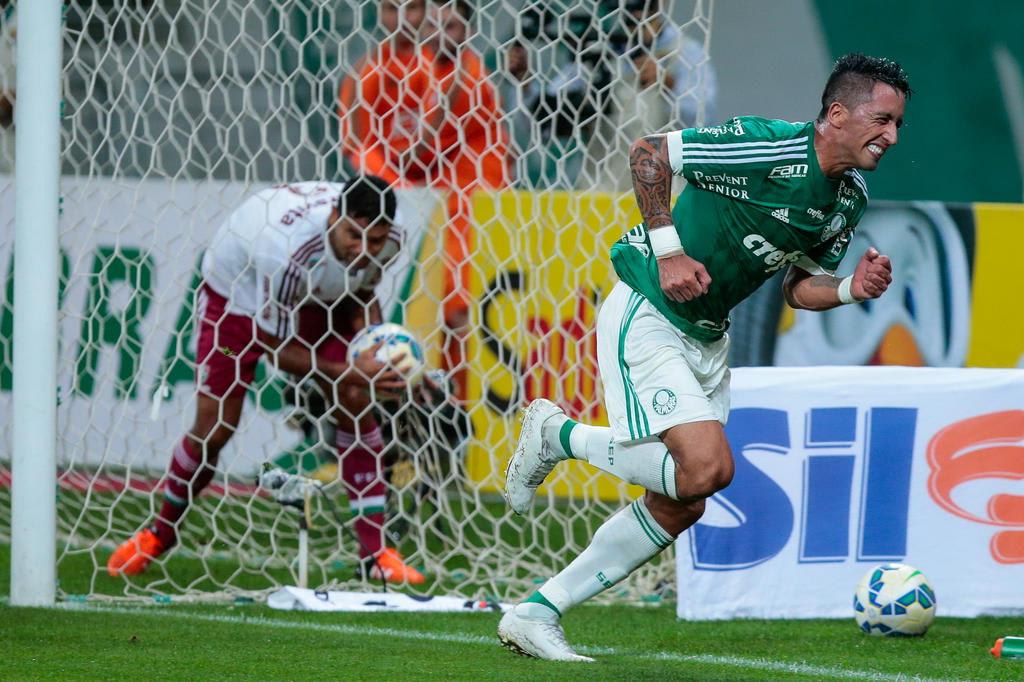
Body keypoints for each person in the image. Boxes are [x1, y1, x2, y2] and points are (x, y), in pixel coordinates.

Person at [498, 53, 909, 660]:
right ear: (837, 114)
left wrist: (851, 288)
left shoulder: (848, 199)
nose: (892, 136)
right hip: (649, 311)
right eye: (882, 119)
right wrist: (667, 250)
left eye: (899, 124)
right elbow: (648, 151)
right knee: (708, 471)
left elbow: (799, 287)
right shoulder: (766, 146)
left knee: (683, 501)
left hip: (709, 338)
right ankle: (560, 435)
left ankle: (537, 611)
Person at [107, 175, 428, 585]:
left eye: (375, 241)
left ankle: (376, 554)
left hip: (318, 296)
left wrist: (373, 348)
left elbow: (362, 292)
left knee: (355, 396)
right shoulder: (287, 249)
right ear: (334, 216)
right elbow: (274, 348)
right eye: (353, 235)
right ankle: (159, 534)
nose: (363, 250)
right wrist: (349, 366)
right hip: (237, 309)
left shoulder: (390, 238)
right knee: (216, 425)